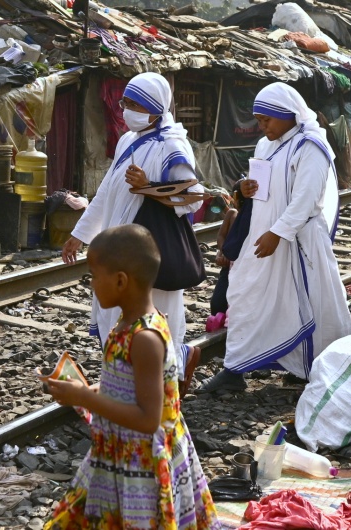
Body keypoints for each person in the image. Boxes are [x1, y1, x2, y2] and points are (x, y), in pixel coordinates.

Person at [44, 225, 221, 529]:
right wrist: (100, 389)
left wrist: (85, 397)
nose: (92, 284)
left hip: (142, 461)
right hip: (118, 450)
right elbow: (132, 384)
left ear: (121, 281)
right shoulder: (128, 324)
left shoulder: (144, 338)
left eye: (94, 276)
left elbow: (148, 419)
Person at [197, 82, 351, 392]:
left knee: (312, 305)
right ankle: (235, 369)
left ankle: (312, 367)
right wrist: (243, 188)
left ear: (289, 114)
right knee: (245, 296)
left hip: (298, 242)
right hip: (261, 238)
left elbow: (306, 199)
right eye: (258, 120)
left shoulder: (311, 146)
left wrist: (278, 233)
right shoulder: (265, 145)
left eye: (266, 120)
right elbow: (262, 186)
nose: (262, 126)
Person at [61, 72, 203, 395]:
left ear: (154, 108)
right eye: (125, 102)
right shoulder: (129, 139)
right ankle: (124, 385)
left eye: (134, 104)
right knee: (119, 318)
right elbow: (106, 192)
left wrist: (148, 188)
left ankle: (160, 383)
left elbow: (191, 197)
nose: (126, 110)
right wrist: (80, 234)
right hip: (120, 250)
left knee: (153, 326)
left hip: (152, 256)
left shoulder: (173, 145)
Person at [210, 182, 243, 317]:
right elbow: (221, 235)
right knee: (218, 303)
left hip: (243, 266)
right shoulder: (232, 214)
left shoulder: (257, 217)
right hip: (228, 264)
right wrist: (223, 251)